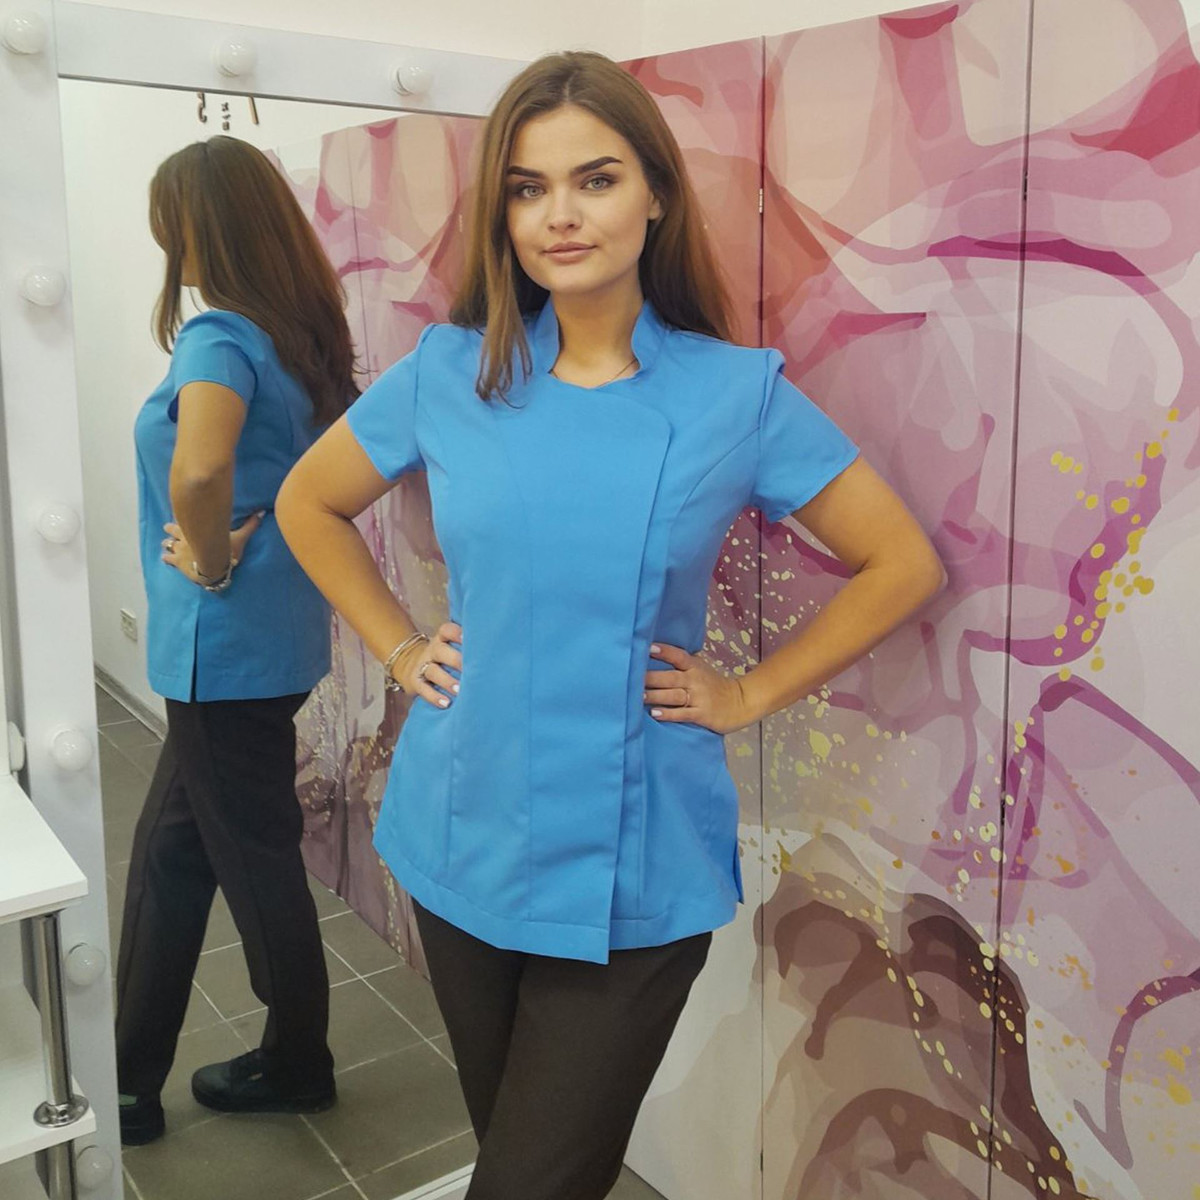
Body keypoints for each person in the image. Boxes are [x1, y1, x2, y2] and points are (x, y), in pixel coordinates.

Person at [275, 51, 945, 1199]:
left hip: (638, 860)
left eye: (595, 179)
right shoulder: (451, 371)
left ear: (655, 195)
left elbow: (901, 562)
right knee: (522, 1159)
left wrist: (748, 692)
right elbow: (307, 503)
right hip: (464, 829)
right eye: (528, 189)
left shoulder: (734, 394)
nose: (561, 214)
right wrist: (399, 645)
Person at [114, 136, 359, 1146]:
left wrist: (211, 562)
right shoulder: (298, 337)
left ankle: (298, 1061)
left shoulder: (218, 337)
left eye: (166, 222)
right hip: (271, 641)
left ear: (197, 228)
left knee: (250, 860)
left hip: (221, 650)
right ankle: (127, 1079)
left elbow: (201, 471)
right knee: (172, 853)